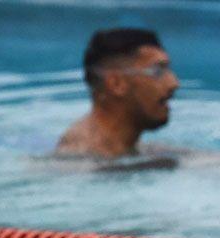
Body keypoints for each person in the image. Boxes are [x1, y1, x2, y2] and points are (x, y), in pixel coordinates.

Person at [56, 28, 180, 158]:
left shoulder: (130, 150)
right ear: (116, 84)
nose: (174, 83)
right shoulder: (78, 162)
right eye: (157, 71)